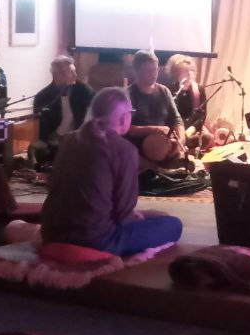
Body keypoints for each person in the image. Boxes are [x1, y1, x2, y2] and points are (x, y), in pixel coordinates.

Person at [40, 86, 183, 256]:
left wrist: (145, 215)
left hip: (51, 233)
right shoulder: (125, 150)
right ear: (123, 118)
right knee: (173, 224)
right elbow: (124, 215)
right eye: (131, 113)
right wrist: (143, 217)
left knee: (154, 216)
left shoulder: (69, 139)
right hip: (96, 240)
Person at [126, 50, 187, 167]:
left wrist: (180, 140)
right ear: (136, 71)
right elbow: (126, 129)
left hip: (165, 145)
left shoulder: (164, 91)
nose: (153, 74)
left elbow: (177, 119)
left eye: (155, 69)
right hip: (140, 150)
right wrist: (155, 129)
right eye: (147, 71)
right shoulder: (128, 94)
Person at [30, 54, 94, 166]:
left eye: (74, 71)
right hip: (54, 145)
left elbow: (98, 104)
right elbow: (42, 131)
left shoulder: (82, 90)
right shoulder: (43, 97)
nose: (75, 75)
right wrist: (58, 137)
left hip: (78, 141)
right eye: (71, 72)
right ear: (56, 75)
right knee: (35, 151)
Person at [163, 54, 211, 152]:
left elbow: (202, 116)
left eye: (192, 70)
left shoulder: (199, 89)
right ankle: (181, 147)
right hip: (175, 129)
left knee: (206, 137)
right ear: (176, 73)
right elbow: (168, 115)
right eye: (185, 71)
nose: (190, 74)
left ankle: (181, 146)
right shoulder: (169, 90)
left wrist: (188, 132)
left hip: (192, 130)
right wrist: (179, 131)